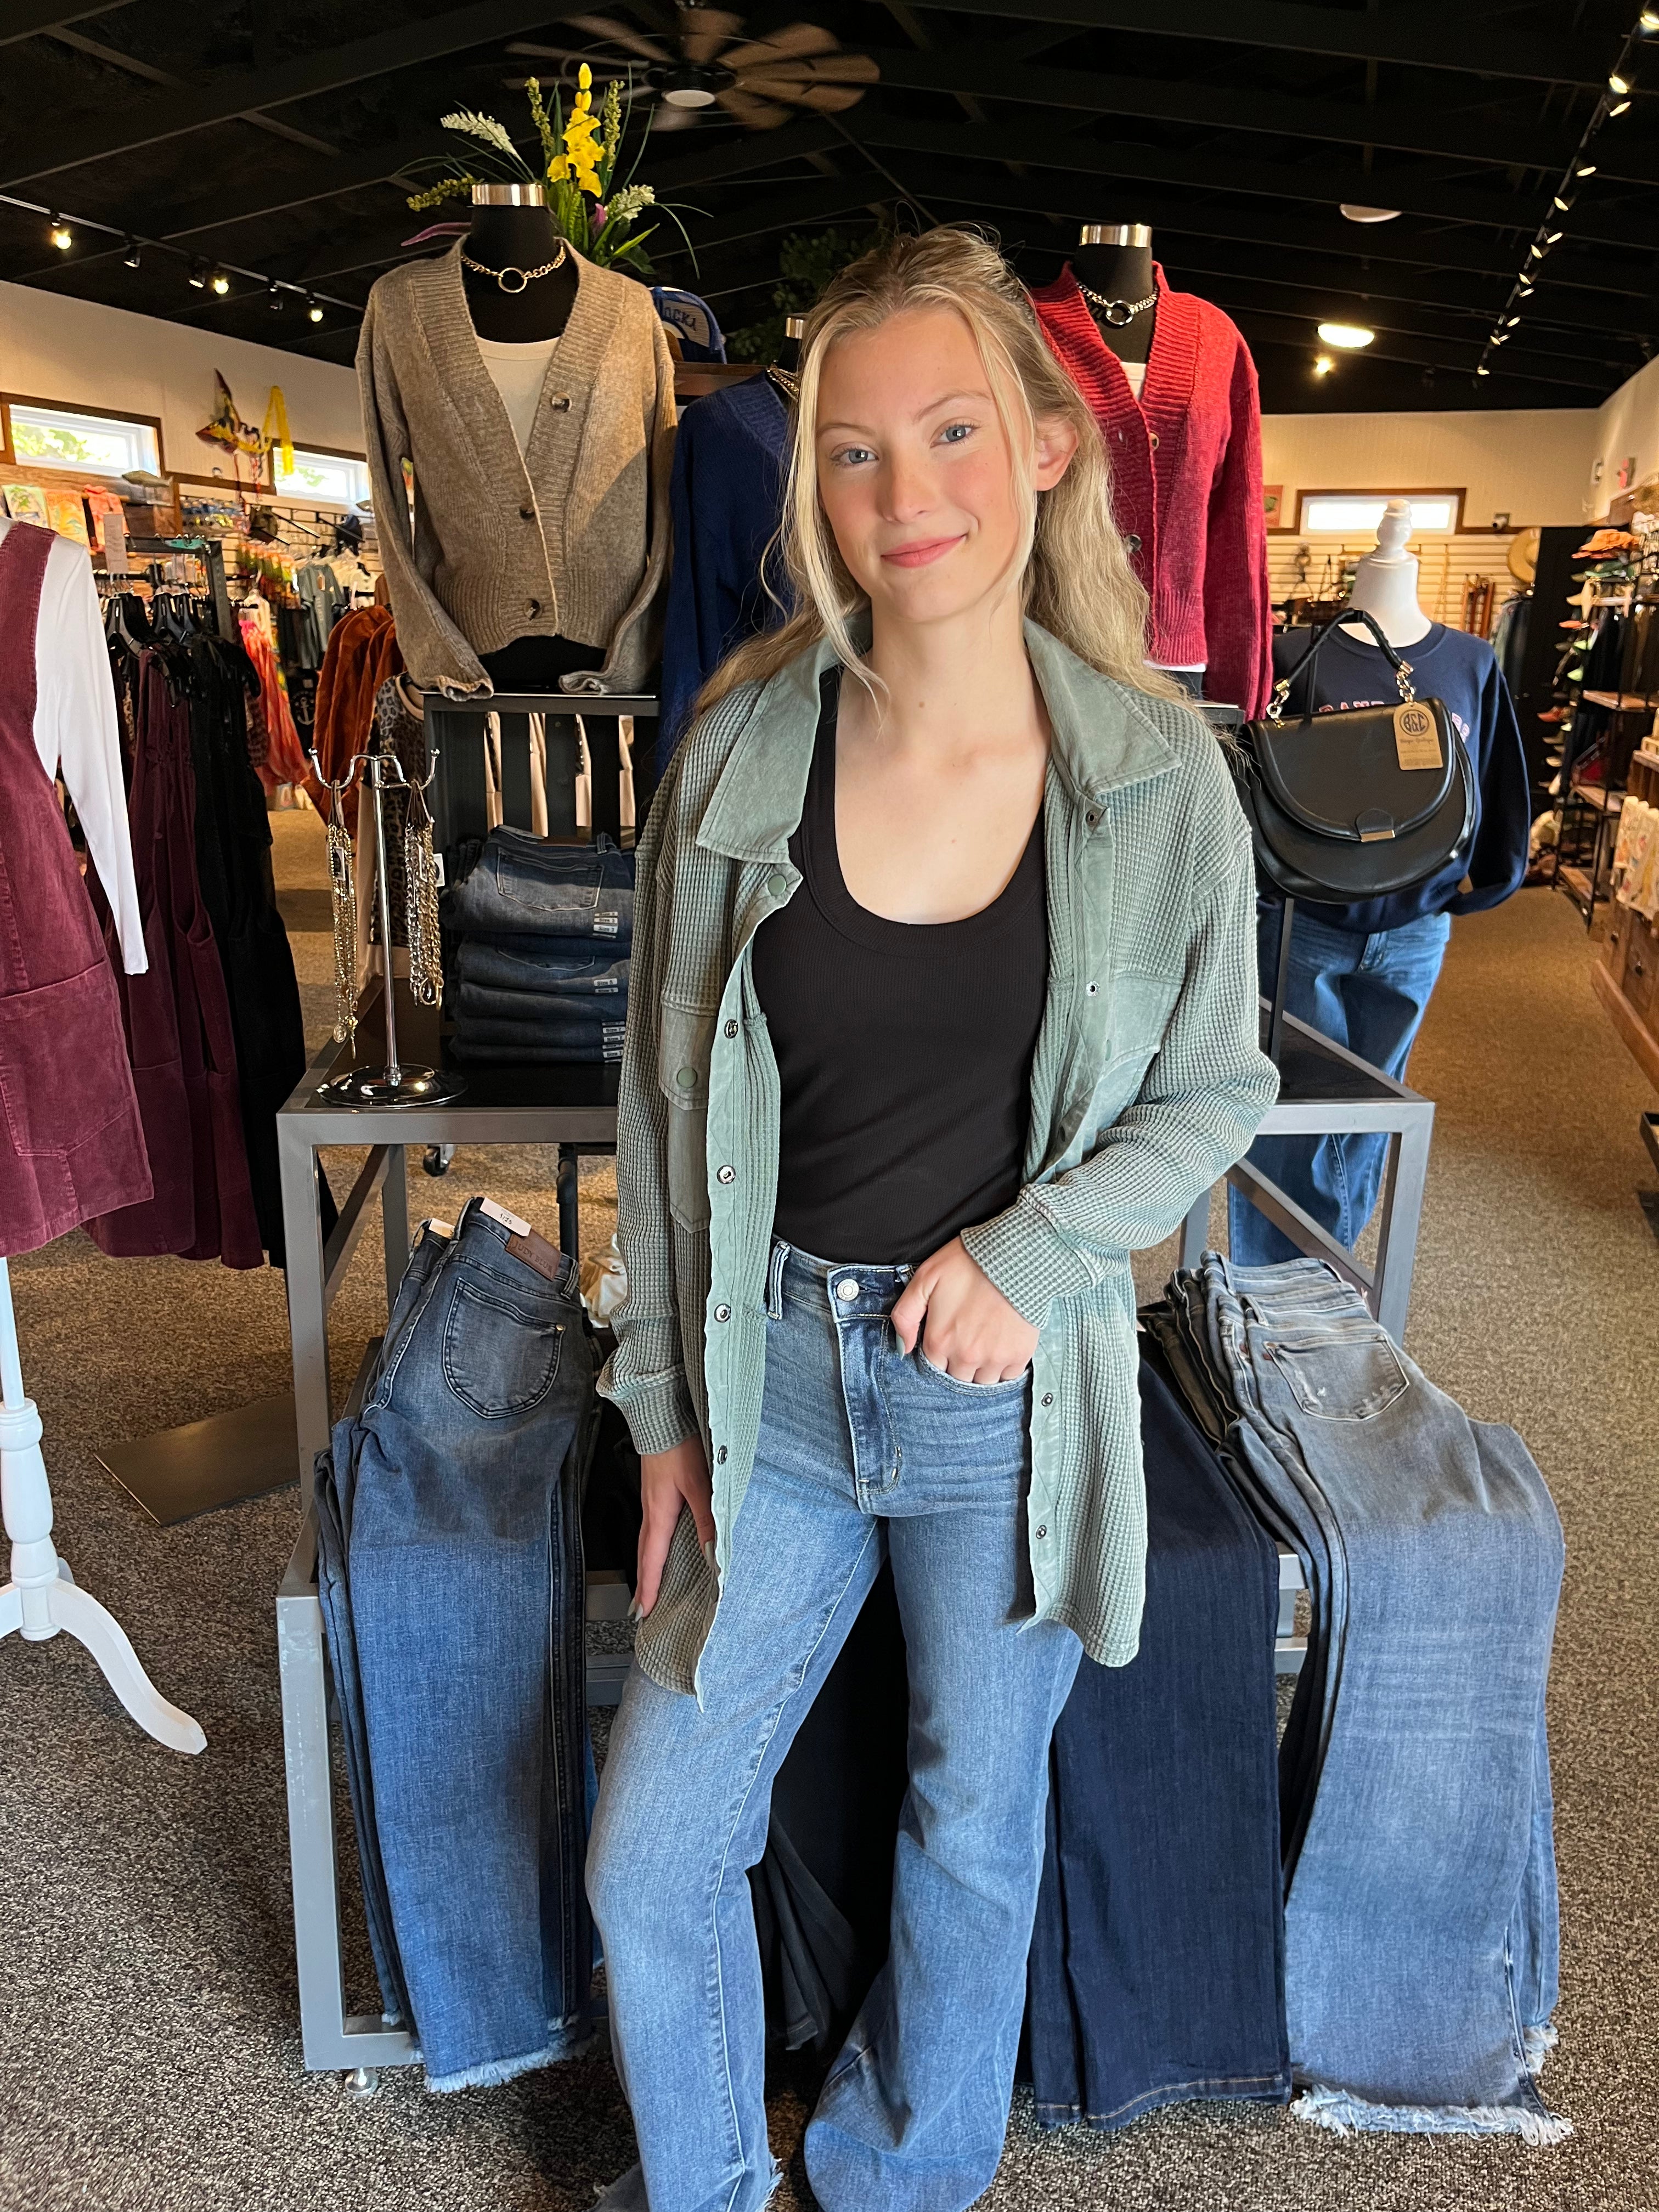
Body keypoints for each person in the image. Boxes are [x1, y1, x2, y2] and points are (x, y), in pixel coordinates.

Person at [587, 226, 1278, 2212]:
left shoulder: (1155, 774)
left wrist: (1033, 1255)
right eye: (855, 449)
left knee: (973, 1827)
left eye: (954, 431)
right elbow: (661, 1106)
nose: (907, 492)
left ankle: (901, 2176)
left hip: (1010, 1413)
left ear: (1047, 446)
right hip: (773, 1390)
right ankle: (709, 2188)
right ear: (811, 481)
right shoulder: (741, 749)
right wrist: (663, 1410)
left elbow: (1218, 1084)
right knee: (654, 1853)